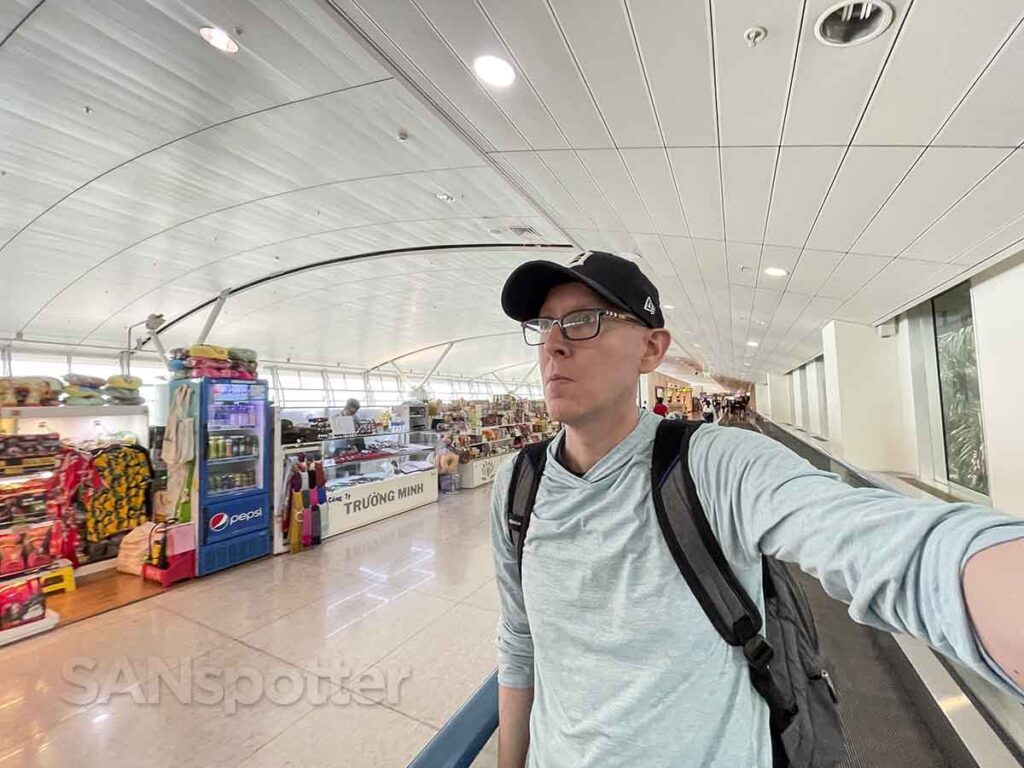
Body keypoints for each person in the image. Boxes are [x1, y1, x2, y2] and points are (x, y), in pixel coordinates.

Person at [493, 250, 1024, 768]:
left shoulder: (711, 463)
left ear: (651, 350)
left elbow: (872, 537)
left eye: (584, 320)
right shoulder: (516, 486)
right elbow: (519, 643)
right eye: (544, 325)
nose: (553, 345)